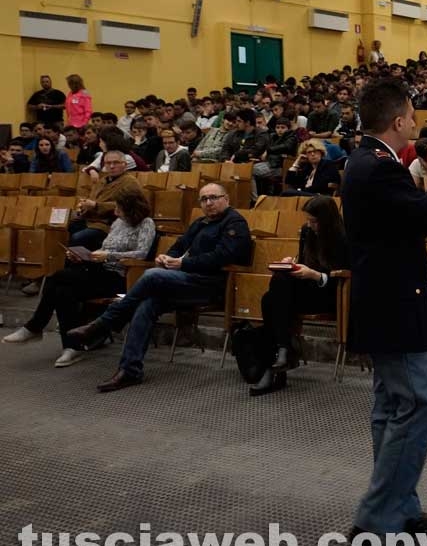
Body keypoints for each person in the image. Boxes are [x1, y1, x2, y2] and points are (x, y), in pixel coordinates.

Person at [339, 77, 427, 545]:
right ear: (397, 121)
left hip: (382, 299)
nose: (416, 121)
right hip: (393, 302)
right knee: (417, 404)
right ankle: (376, 519)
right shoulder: (379, 168)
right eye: (412, 114)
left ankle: (401, 507)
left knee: (392, 407)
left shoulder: (367, 162)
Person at [67, 183, 252, 391]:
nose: (208, 203)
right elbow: (180, 246)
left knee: (152, 275)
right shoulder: (201, 223)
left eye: (213, 197)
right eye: (204, 199)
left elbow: (223, 257)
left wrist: (183, 264)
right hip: (187, 281)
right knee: (147, 304)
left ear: (226, 199)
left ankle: (105, 322)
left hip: (213, 285)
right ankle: (130, 370)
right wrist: (168, 257)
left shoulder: (235, 223)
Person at [3, 189, 155, 367]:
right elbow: (104, 250)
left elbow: (142, 254)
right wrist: (86, 256)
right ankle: (72, 347)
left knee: (58, 278)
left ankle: (36, 327)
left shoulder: (146, 223)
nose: (115, 212)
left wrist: (108, 256)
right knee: (62, 290)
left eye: (119, 208)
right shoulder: (118, 223)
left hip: (122, 277)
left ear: (131, 208)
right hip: (99, 270)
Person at [253, 195, 348, 395]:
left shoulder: (344, 237)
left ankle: (280, 359)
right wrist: (293, 263)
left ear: (327, 220)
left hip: (332, 294)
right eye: (308, 220)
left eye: (314, 221)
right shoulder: (307, 232)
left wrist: (315, 275)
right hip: (306, 291)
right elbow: (306, 260)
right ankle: (283, 351)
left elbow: (345, 277)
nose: (310, 225)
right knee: (271, 295)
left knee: (272, 297)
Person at [67, 149, 145, 253]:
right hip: (90, 220)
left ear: (124, 165)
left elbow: (129, 206)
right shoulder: (102, 181)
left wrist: (96, 205)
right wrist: (84, 205)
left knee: (78, 238)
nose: (112, 166)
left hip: (109, 224)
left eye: (116, 163)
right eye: (108, 163)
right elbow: (92, 199)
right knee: (64, 228)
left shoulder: (130, 182)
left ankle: (78, 265)